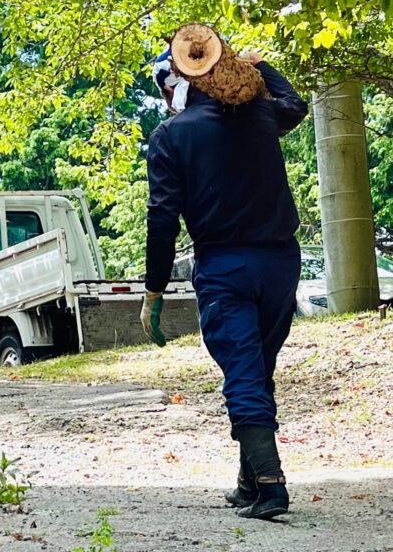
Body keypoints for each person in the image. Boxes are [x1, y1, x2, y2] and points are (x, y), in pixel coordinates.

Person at [140, 50, 308, 520]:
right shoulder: (259, 116)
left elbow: (162, 220)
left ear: (172, 87)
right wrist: (259, 67)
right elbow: (294, 103)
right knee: (256, 368)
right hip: (280, 263)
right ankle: (249, 481)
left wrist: (154, 291)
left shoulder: (171, 136)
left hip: (224, 268)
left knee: (243, 374)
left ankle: (271, 486)